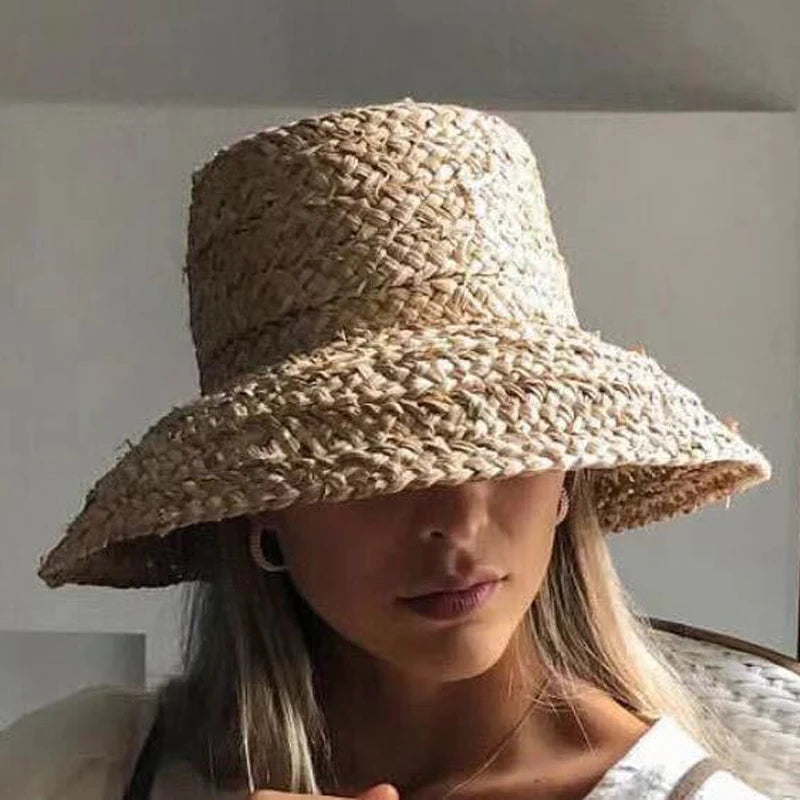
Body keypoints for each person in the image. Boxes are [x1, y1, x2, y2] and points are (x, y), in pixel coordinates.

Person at [0, 98, 774, 799]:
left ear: (568, 472)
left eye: (507, 445)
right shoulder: (78, 769)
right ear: (261, 504)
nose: (457, 521)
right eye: (374, 462)